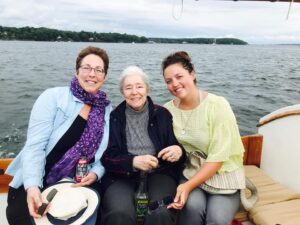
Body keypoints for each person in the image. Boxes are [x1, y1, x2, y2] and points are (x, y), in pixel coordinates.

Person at [5, 46, 112, 225]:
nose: (92, 74)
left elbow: (105, 153)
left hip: (77, 183)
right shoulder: (53, 98)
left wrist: (95, 173)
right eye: (86, 67)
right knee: (24, 217)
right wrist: (32, 186)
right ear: (76, 71)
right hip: (39, 177)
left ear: (104, 76)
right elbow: (34, 146)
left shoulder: (107, 109)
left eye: (98, 70)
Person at [162, 51, 245, 225]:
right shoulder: (167, 110)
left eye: (179, 76)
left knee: (216, 219)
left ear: (192, 74)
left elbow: (219, 158)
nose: (175, 84)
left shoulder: (217, 105)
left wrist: (187, 186)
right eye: (169, 81)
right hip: (190, 171)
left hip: (223, 174)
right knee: (191, 209)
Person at [101, 66, 186, 225]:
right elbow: (107, 157)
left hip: (160, 172)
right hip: (122, 176)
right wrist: (132, 162)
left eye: (139, 86)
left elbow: (177, 152)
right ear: (122, 93)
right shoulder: (114, 117)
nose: (134, 92)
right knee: (119, 213)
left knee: (159, 211)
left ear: (147, 89)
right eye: (128, 88)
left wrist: (178, 151)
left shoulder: (162, 114)